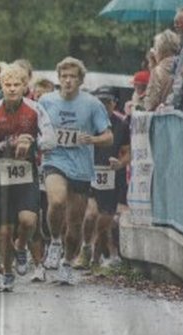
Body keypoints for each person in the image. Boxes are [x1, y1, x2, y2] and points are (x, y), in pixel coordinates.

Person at [0, 64, 56, 292]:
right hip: (0, 173)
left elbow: (51, 140)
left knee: (28, 221)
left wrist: (33, 143)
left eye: (16, 85)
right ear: (2, 86)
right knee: (4, 230)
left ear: (25, 86)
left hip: (27, 171)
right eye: (7, 85)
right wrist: (5, 144)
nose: (11, 89)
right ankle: (7, 272)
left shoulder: (36, 109)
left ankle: (21, 246)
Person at [39, 57, 112, 285]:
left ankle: (68, 263)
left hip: (80, 166)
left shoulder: (92, 104)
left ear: (80, 80)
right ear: (58, 79)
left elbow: (109, 137)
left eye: (73, 77)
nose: (68, 81)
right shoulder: (46, 101)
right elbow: (35, 128)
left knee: (75, 224)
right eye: (64, 77)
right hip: (55, 159)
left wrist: (92, 139)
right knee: (57, 201)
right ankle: (54, 241)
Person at [79, 87, 130, 269]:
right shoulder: (87, 122)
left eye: (107, 102)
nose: (104, 105)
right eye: (100, 102)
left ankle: (95, 258)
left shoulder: (122, 124)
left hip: (111, 177)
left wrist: (120, 163)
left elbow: (127, 152)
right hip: (90, 174)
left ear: (114, 103)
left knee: (104, 222)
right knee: (91, 215)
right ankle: (85, 247)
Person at [143, 30, 181, 111]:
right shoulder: (182, 65)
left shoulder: (158, 71)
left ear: (160, 50)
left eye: (155, 48)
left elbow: (150, 103)